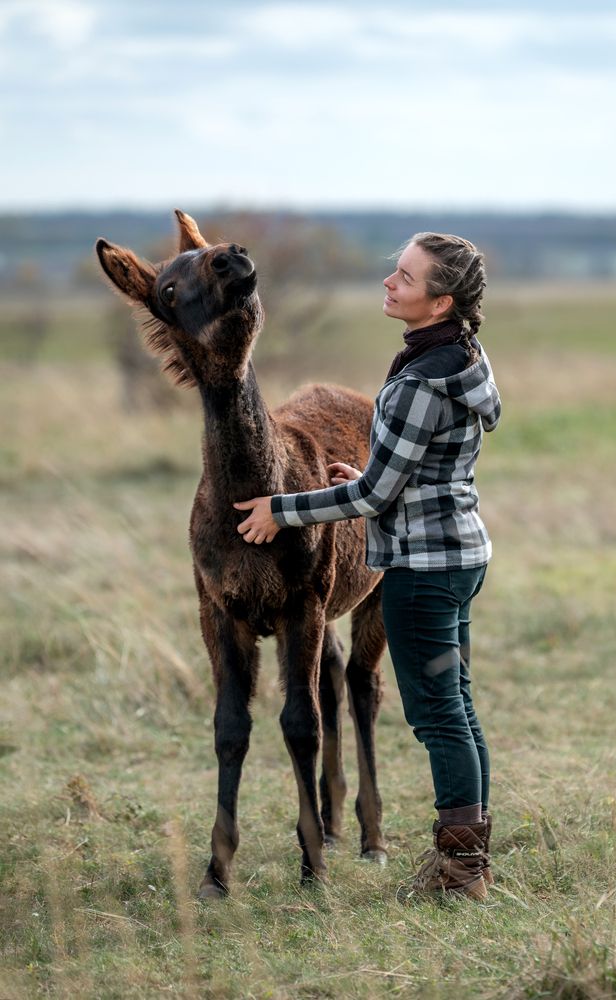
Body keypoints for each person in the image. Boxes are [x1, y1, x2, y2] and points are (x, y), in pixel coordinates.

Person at [234, 233, 501, 901]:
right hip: (459, 550)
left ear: (439, 301)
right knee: (457, 710)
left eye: (405, 278)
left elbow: (374, 498)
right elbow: (407, 474)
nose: (389, 282)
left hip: (422, 568)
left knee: (438, 717)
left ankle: (461, 873)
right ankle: (468, 862)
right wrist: (372, 473)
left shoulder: (420, 379)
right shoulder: (459, 357)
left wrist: (283, 509)